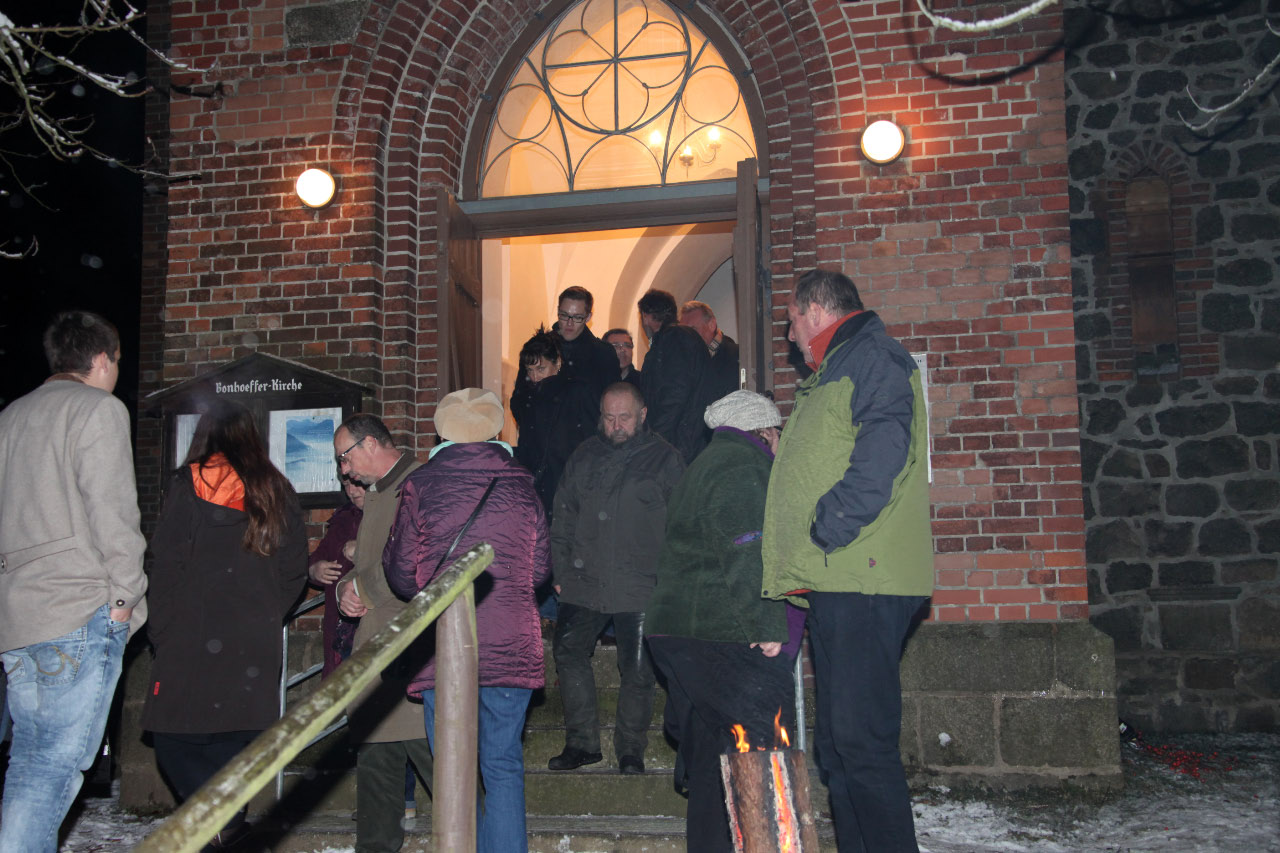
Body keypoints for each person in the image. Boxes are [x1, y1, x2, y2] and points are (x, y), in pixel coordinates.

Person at [762, 268, 933, 853]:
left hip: (865, 576)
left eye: (791, 321)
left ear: (815, 310)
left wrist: (829, 523)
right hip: (841, 579)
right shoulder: (841, 365)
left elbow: (885, 450)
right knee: (839, 750)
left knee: (862, 745)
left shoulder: (872, 358)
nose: (790, 335)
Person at [0, 310, 148, 852]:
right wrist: (124, 596)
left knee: (30, 760)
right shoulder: (98, 409)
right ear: (103, 359)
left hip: (18, 618)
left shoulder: (11, 416)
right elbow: (113, 512)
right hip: (77, 609)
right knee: (54, 765)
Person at [384, 388, 549, 853]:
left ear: (442, 430)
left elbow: (400, 574)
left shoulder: (421, 485)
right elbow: (539, 570)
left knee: (453, 770)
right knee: (503, 765)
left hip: (445, 645)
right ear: (496, 428)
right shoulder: (522, 484)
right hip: (510, 639)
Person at [142, 399, 308, 847]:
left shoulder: (187, 484)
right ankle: (228, 827)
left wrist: (162, 627)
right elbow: (295, 568)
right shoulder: (277, 489)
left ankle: (222, 827)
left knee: (176, 742)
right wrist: (266, 612)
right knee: (235, 752)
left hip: (190, 637)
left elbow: (166, 563)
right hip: (251, 645)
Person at [646, 390, 806, 852]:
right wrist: (767, 625)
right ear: (766, 432)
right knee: (763, 747)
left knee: (711, 760)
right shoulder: (742, 465)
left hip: (682, 632)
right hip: (721, 634)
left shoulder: (705, 464)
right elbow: (747, 548)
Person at [547, 382, 684, 775]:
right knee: (568, 652)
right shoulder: (583, 456)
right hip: (584, 579)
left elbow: (682, 524)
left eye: (625, 417)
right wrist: (561, 569)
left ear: (642, 415)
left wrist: (672, 578)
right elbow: (563, 515)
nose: (617, 425)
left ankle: (630, 750)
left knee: (637, 668)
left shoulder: (666, 460)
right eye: (609, 418)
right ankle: (582, 743)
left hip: (642, 583)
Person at [332, 413, 433, 853]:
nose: (344, 470)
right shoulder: (377, 493)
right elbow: (368, 564)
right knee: (376, 772)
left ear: (370, 445)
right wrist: (344, 589)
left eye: (345, 457)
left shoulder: (418, 484)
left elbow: (416, 562)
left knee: (440, 765)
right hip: (375, 653)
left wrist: (363, 588)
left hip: (410, 651)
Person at [510, 327, 599, 516]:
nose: (535, 377)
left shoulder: (577, 392)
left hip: (565, 483)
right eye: (529, 371)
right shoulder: (527, 397)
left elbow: (591, 440)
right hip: (541, 483)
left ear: (557, 363)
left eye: (541, 369)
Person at [636, 289, 710, 462]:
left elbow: (674, 394)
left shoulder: (673, 340)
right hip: (687, 439)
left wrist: (656, 439)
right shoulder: (682, 338)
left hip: (678, 443)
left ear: (646, 316)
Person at [308, 477, 366, 678]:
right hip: (338, 625)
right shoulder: (344, 517)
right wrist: (315, 569)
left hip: (369, 621)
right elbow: (318, 557)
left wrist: (362, 549)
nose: (352, 491)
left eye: (357, 484)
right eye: (346, 485)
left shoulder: (391, 513)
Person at [680, 300, 739, 400]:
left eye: (693, 330)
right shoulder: (683, 363)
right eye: (683, 332)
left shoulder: (739, 358)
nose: (686, 337)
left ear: (712, 325)